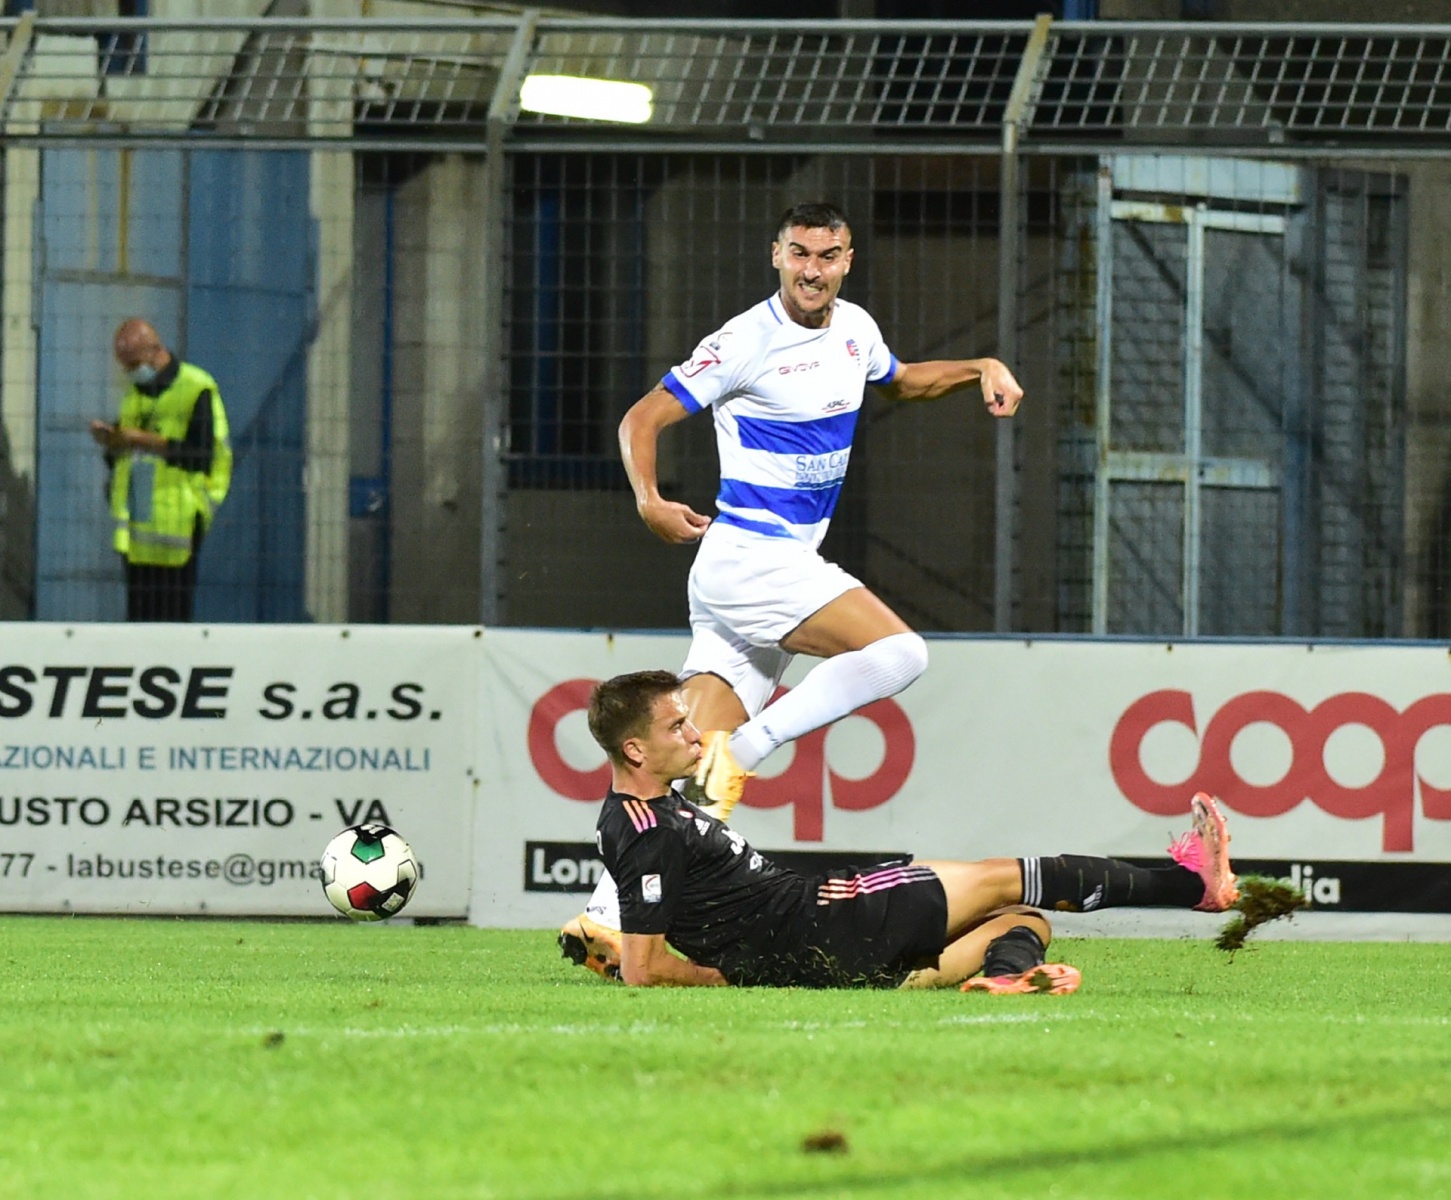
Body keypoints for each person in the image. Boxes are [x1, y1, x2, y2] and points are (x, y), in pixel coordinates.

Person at [560, 201, 1025, 946]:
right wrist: (648, 500)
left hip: (761, 570)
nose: (813, 269)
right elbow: (639, 419)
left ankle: (603, 920)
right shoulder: (744, 340)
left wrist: (978, 367)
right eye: (800, 253)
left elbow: (901, 381)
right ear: (775, 255)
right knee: (900, 654)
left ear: (847, 260)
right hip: (751, 558)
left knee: (688, 779)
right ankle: (748, 749)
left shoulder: (856, 328)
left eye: (829, 255)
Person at [559, 671, 1240, 992]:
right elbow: (646, 973)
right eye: (675, 726)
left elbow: (645, 936)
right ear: (636, 753)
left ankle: (1009, 978)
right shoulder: (646, 828)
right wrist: (724, 977)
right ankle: (1193, 887)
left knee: (1020, 919)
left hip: (818, 951)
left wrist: (611, 944)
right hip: (820, 923)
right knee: (1007, 876)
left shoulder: (641, 816)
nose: (693, 733)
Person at [89, 318, 232, 622]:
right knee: (139, 620)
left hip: (178, 526)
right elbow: (123, 460)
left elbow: (200, 455)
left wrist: (141, 439)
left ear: (156, 350)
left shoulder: (197, 388)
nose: (130, 372)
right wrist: (113, 440)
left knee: (172, 620)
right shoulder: (135, 395)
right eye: (125, 366)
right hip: (139, 531)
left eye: (134, 364)